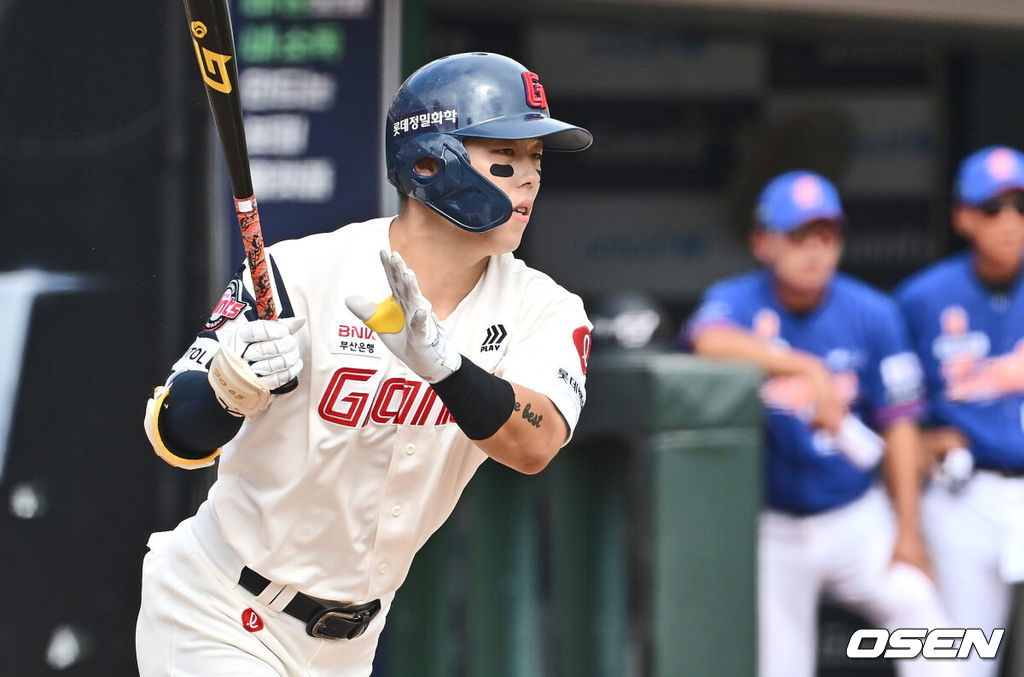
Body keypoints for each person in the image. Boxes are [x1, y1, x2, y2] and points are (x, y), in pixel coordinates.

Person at [135, 52, 594, 676]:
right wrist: (227, 388)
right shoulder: (302, 272)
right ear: (430, 161)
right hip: (219, 609)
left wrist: (446, 368)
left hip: (352, 643)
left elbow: (533, 444)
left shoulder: (546, 308)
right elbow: (172, 434)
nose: (530, 179)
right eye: (506, 156)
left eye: (538, 160)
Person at [685, 170, 957, 677]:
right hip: (774, 525)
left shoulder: (873, 311)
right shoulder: (740, 299)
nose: (815, 249)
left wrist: (909, 534)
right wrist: (806, 367)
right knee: (780, 667)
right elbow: (707, 339)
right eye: (798, 235)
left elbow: (900, 426)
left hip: (855, 514)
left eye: (827, 233)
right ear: (762, 242)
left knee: (921, 613)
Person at [895, 145, 1024, 677]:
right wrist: (916, 441)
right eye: (993, 208)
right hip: (964, 492)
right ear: (963, 217)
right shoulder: (922, 298)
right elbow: (887, 405)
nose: (1011, 221)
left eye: (1021, 205)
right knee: (952, 662)